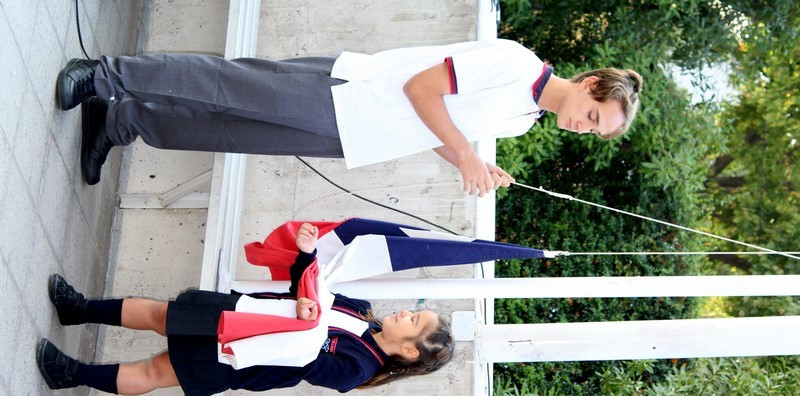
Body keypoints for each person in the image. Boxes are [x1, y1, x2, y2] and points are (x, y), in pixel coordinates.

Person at [56, 39, 642, 195]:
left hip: (354, 136)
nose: (585, 128)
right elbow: (421, 90)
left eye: (596, 131)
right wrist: (467, 153)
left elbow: (433, 130)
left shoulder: (521, 118)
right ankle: (103, 75)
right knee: (223, 85)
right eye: (594, 115)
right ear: (591, 84)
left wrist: (471, 164)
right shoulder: (515, 65)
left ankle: (118, 123)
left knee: (227, 132)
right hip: (345, 94)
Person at [37, 223, 454, 396]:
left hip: (238, 358)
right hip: (240, 311)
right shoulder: (362, 312)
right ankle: (79, 309)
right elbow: (305, 291)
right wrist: (307, 255)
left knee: (155, 370)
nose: (405, 313)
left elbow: (305, 359)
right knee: (158, 314)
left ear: (410, 350)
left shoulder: (357, 370)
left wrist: (308, 317)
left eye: (414, 321)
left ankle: (71, 375)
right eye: (415, 312)